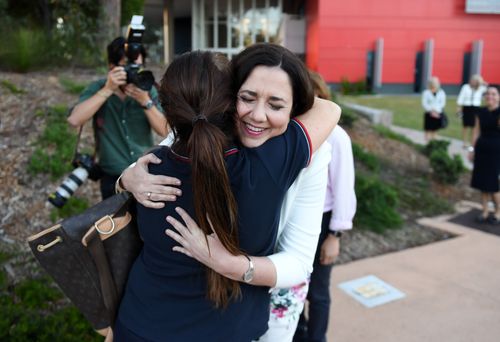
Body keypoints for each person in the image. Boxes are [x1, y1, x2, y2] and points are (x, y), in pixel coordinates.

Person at [115, 46, 340, 341]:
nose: (258, 115)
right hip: (224, 329)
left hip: (138, 323)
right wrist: (126, 178)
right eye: (247, 98)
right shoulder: (266, 167)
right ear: (229, 99)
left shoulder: (155, 163)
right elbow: (329, 108)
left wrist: (230, 265)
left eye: (275, 104)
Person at [291, 72, 356, 342]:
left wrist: (335, 235)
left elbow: (343, 187)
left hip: (323, 222)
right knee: (291, 288)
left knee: (317, 292)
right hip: (293, 220)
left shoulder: (337, 136)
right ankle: (298, 334)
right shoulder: (290, 130)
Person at [67, 36, 168, 199]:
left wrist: (145, 101)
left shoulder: (147, 89)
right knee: (116, 224)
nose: (133, 73)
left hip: (144, 172)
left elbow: (165, 130)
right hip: (112, 178)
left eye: (138, 67)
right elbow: (74, 120)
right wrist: (108, 90)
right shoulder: (99, 87)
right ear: (111, 67)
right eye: (127, 67)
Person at [469, 85, 500, 225]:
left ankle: (498, 212)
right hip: (482, 150)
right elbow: (476, 131)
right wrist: (472, 149)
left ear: (499, 97)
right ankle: (485, 211)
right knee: (482, 183)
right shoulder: (480, 112)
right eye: (487, 94)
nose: (490, 96)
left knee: (494, 185)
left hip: (496, 151)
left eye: (494, 94)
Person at [457, 74, 487, 148]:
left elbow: (487, 89)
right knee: (465, 125)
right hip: (467, 107)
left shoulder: (481, 88)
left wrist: (483, 83)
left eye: (475, 81)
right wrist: (459, 107)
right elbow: (461, 97)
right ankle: (464, 142)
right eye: (473, 80)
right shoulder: (466, 87)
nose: (473, 82)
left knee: (474, 126)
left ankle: (472, 143)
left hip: (476, 108)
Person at [421, 76, 446, 142]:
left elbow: (442, 103)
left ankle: (433, 143)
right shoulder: (426, 92)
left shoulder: (441, 92)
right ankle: (427, 142)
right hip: (429, 113)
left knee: (435, 130)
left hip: (437, 113)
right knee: (428, 129)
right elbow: (424, 103)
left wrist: (436, 111)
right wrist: (431, 110)